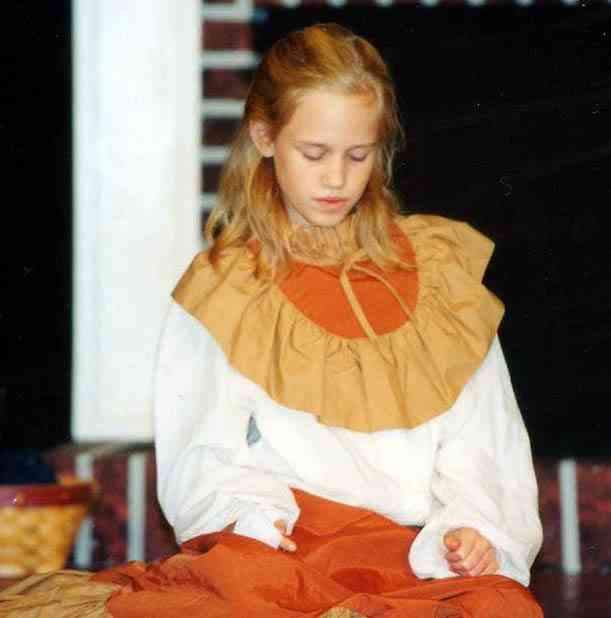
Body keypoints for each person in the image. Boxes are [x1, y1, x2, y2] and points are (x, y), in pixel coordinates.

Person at [0, 23, 543, 618]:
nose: (336, 178)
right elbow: (203, 453)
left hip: (415, 559)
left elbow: (485, 441)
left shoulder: (441, 279)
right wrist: (255, 517)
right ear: (265, 137)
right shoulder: (229, 288)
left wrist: (470, 529)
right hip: (287, 553)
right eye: (314, 154)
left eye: (357, 155)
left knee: (500, 606)